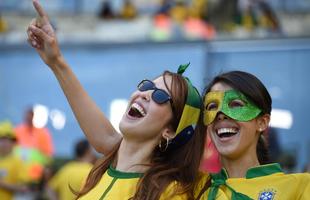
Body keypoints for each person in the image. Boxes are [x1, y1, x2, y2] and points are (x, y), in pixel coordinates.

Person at [26, 0, 206, 199]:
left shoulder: (170, 193)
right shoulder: (101, 172)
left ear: (170, 131)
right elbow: (106, 139)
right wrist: (55, 61)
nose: (145, 93)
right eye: (147, 86)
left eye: (161, 96)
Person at [199, 70, 310, 199]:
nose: (221, 114)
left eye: (236, 104)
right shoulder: (195, 191)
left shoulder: (300, 186)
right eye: (212, 106)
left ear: (262, 122)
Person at [14, 106, 54, 181]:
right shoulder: (17, 131)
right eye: (27, 117)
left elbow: (48, 156)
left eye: (31, 116)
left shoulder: (43, 133)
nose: (28, 119)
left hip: (35, 177)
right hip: (17, 176)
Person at [0, 120, 29, 200]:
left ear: (13, 143)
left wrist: (3, 184)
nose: (4, 143)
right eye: (2, 139)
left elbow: (24, 188)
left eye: (7, 140)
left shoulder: (18, 163)